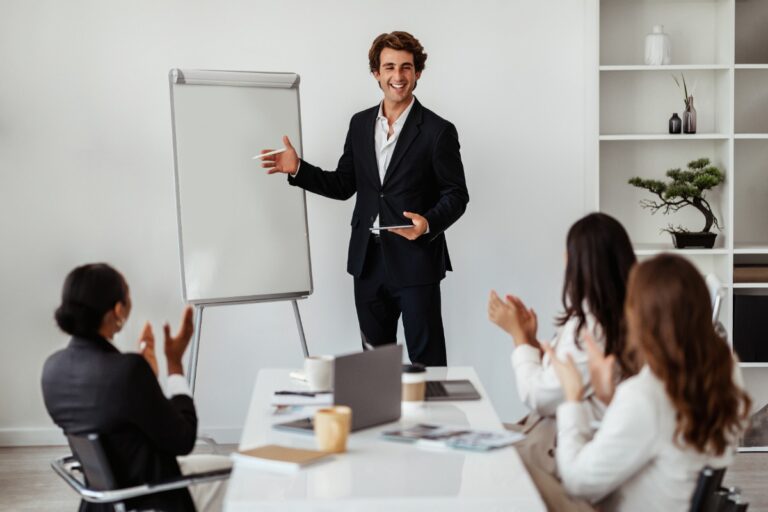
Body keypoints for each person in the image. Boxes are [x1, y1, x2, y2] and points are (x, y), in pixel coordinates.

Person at [261, 31, 469, 366]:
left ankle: (431, 404)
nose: (398, 76)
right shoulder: (359, 124)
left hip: (416, 261)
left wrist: (428, 223)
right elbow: (344, 185)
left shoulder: (437, 130)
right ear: (376, 73)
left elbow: (456, 194)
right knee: (375, 366)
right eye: (389, 67)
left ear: (418, 72)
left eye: (406, 67)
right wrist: (298, 169)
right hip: (367, 262)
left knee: (427, 363)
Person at [544, 254, 751, 512]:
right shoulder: (725, 370)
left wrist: (572, 399)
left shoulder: (645, 396)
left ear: (641, 319)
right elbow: (661, 436)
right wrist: (611, 399)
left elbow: (578, 483)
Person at [41, 263, 230, 512]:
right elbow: (183, 440)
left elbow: (119, 428)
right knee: (242, 473)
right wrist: (174, 364)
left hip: (105, 501)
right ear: (118, 310)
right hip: (151, 497)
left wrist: (147, 379)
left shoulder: (52, 369)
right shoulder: (128, 371)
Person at [487, 213, 636, 473]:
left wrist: (519, 338)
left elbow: (540, 397)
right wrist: (530, 339)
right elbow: (558, 380)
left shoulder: (592, 332)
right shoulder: (603, 318)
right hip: (550, 435)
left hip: (558, 448)